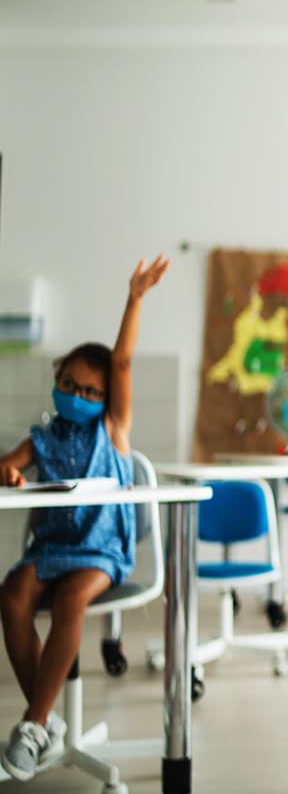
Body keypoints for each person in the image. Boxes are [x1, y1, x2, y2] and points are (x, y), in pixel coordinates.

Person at [0, 256, 170, 781]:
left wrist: (135, 298)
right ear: (57, 382)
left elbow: (120, 363)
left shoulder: (112, 432)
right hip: (50, 549)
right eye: (69, 385)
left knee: (72, 598)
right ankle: (45, 722)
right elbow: (9, 465)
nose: (77, 396)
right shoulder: (43, 439)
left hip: (100, 551)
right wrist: (9, 471)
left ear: (107, 401)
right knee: (12, 594)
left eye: (90, 392)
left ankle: (33, 722)